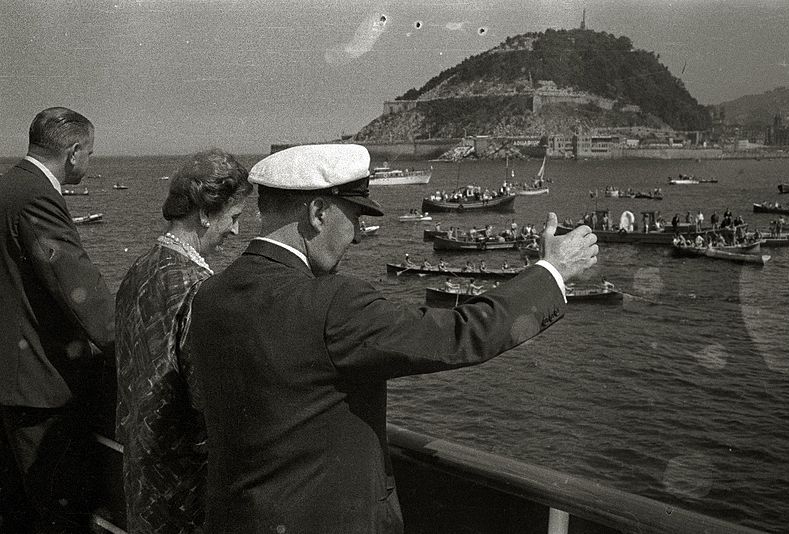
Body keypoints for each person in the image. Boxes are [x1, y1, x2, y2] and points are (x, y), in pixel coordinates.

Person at [189, 144, 598, 534]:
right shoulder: (333, 303)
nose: (359, 235)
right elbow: (458, 335)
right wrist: (552, 271)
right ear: (317, 213)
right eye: (355, 217)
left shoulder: (210, 295)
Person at [114, 149, 252, 534]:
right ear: (206, 213)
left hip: (142, 470)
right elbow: (205, 396)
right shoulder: (197, 288)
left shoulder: (138, 270)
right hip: (184, 483)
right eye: (234, 217)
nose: (237, 231)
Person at [0, 107, 115, 533]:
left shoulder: (7, 187)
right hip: (41, 391)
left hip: (11, 384)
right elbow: (77, 285)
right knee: (60, 516)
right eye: (90, 153)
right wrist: (127, 345)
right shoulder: (37, 197)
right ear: (73, 152)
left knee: (17, 513)